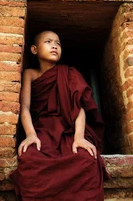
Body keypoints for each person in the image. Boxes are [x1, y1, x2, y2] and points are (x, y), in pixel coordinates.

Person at [10, 30, 109, 201]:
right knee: (29, 160)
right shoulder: (30, 74)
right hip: (42, 130)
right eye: (48, 42)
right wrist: (31, 135)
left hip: (69, 130)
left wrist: (79, 138)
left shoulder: (69, 73)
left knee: (87, 160)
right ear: (34, 49)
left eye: (58, 43)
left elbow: (79, 108)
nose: (54, 45)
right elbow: (24, 107)